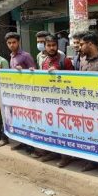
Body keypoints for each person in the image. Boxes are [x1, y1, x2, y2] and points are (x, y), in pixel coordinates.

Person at [38, 35, 74, 167]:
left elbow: (74, 79)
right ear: (45, 46)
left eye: (54, 45)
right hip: (49, 101)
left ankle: (66, 156)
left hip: (64, 101)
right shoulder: (45, 61)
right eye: (49, 45)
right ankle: (54, 152)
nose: (51, 48)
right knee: (51, 127)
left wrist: (59, 72)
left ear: (57, 46)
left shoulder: (65, 61)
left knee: (63, 128)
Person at [78, 31, 98, 172]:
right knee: (89, 133)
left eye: (81, 44)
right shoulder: (82, 60)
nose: (79, 47)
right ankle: (92, 161)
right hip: (86, 104)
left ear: (90, 44)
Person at [5, 32, 36, 151]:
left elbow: (33, 73)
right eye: (9, 43)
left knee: (28, 118)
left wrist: (23, 71)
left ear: (18, 42)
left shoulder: (25, 55)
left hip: (27, 93)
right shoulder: (12, 56)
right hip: (16, 93)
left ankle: (31, 145)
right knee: (18, 118)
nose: (12, 45)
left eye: (14, 42)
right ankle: (22, 141)